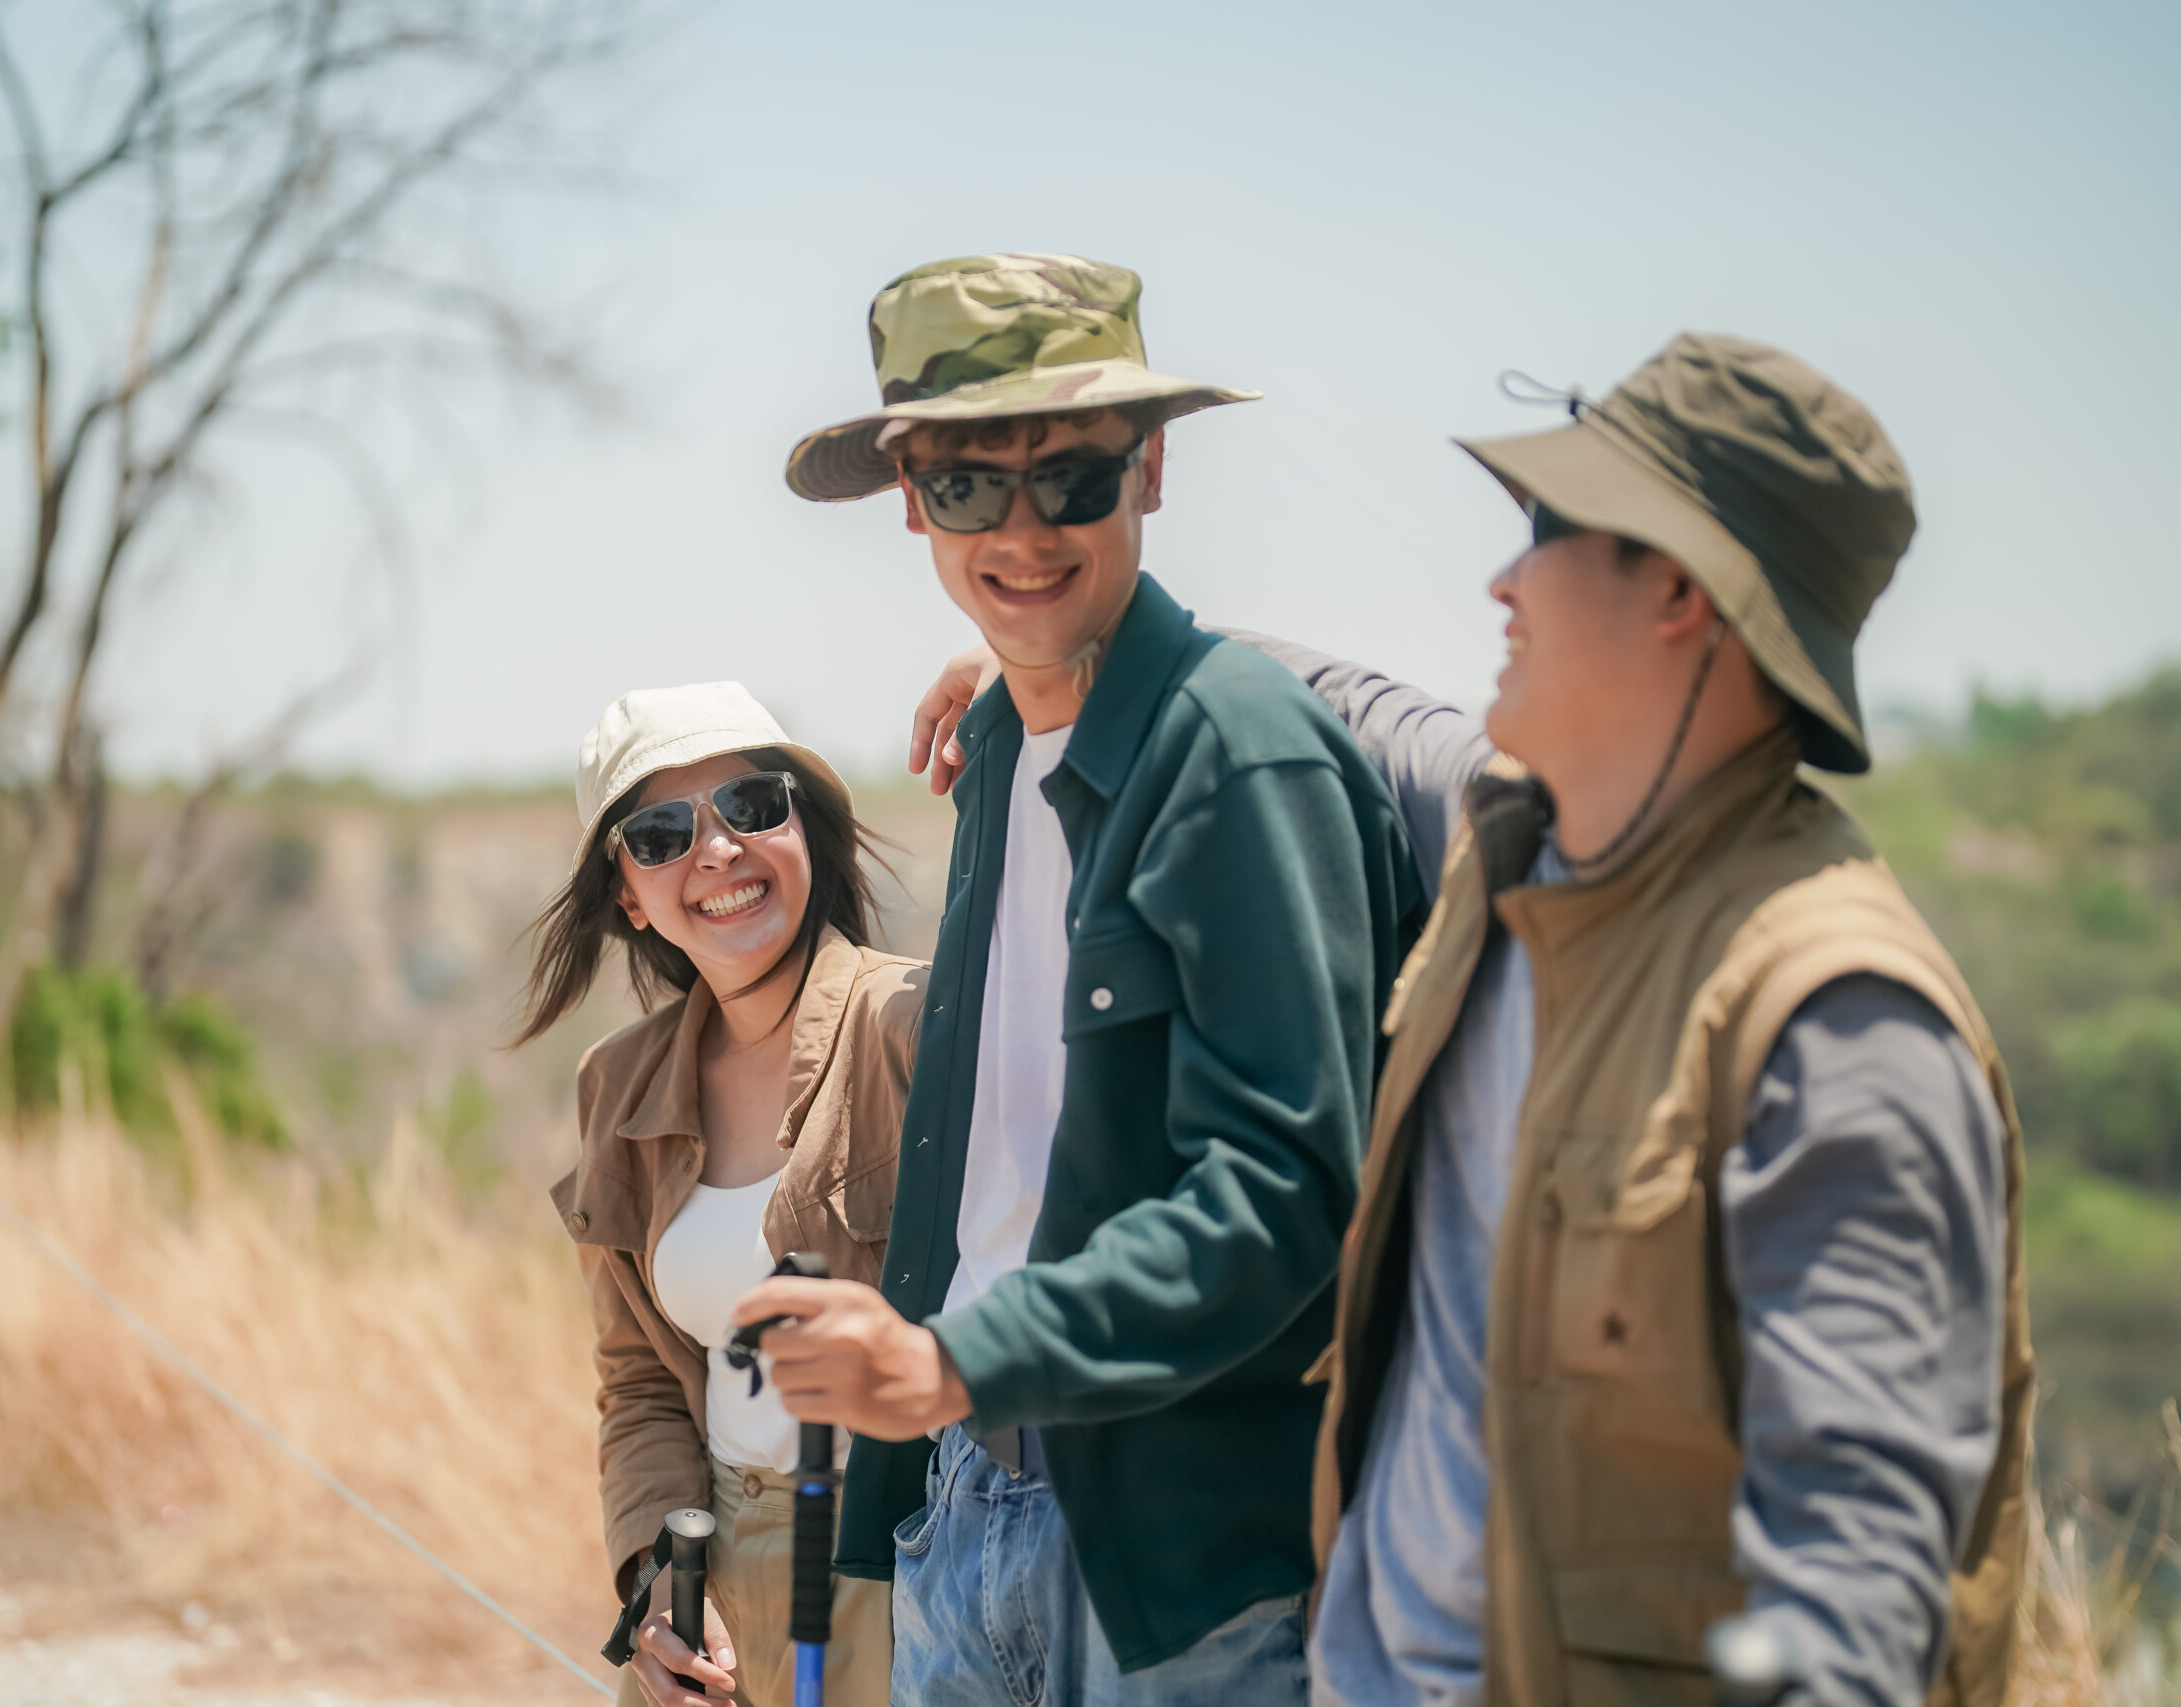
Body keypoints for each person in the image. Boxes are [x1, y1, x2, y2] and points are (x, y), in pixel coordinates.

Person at [1296, 335, 2034, 1707]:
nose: (1499, 578)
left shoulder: (1836, 1019)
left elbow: (1852, 1605)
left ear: (1682, 589)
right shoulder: (1515, 843)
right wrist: (1073, 662)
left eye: (1544, 530)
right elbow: (1359, 703)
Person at [729, 253, 1422, 1707]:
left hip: (1175, 1570)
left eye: (1075, 477)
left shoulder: (1238, 755)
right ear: (911, 497)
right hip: (965, 1512)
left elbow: (1284, 1194)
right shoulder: (997, 745)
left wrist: (959, 1361)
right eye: (974, 488)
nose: (1025, 530)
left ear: (1152, 470)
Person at [526, 681, 918, 1707]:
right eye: (659, 833)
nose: (715, 853)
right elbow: (641, 1382)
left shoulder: (910, 1023)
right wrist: (656, 1586)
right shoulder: (616, 1086)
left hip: (898, 1566)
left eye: (751, 807)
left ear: (806, 830)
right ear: (625, 890)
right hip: (707, 1584)